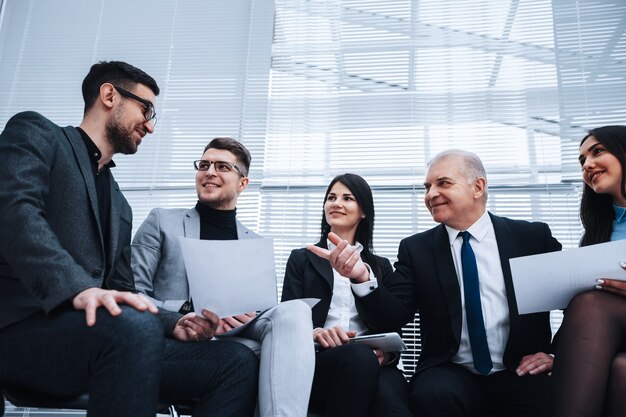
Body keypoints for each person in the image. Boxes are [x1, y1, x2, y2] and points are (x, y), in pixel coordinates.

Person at [0, 61, 258, 417]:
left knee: (235, 361)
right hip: (22, 332)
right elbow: (14, 213)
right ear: (109, 95)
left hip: (108, 339)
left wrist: (174, 323)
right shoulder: (38, 134)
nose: (150, 126)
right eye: (146, 109)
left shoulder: (120, 205)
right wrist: (77, 288)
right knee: (129, 326)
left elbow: (124, 288)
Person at [310, 150, 561, 417]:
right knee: (431, 396)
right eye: (427, 187)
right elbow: (393, 314)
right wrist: (361, 277)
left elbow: (575, 297)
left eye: (443, 183)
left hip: (520, 367)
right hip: (450, 371)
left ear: (478, 187)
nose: (430, 194)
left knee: (546, 396)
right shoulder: (416, 249)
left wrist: (558, 356)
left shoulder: (532, 237)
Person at [131, 137, 315, 417]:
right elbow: (133, 293)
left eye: (222, 166)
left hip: (235, 336)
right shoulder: (162, 222)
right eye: (204, 164)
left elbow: (263, 308)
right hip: (178, 339)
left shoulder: (254, 243)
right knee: (253, 359)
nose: (209, 172)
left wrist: (249, 316)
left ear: (243, 183)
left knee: (295, 311)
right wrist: (185, 314)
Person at [282, 173, 411, 417]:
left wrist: (388, 355)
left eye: (347, 198)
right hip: (317, 362)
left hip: (375, 364)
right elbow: (287, 318)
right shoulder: (302, 259)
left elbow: (393, 323)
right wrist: (313, 332)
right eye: (331, 197)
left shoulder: (380, 267)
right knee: (358, 360)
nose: (336, 203)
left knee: (392, 407)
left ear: (363, 211)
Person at [551, 125, 626, 417]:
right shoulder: (600, 231)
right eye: (582, 161)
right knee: (622, 371)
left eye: (597, 152)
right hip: (616, 333)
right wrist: (566, 355)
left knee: (591, 303)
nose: (588, 165)